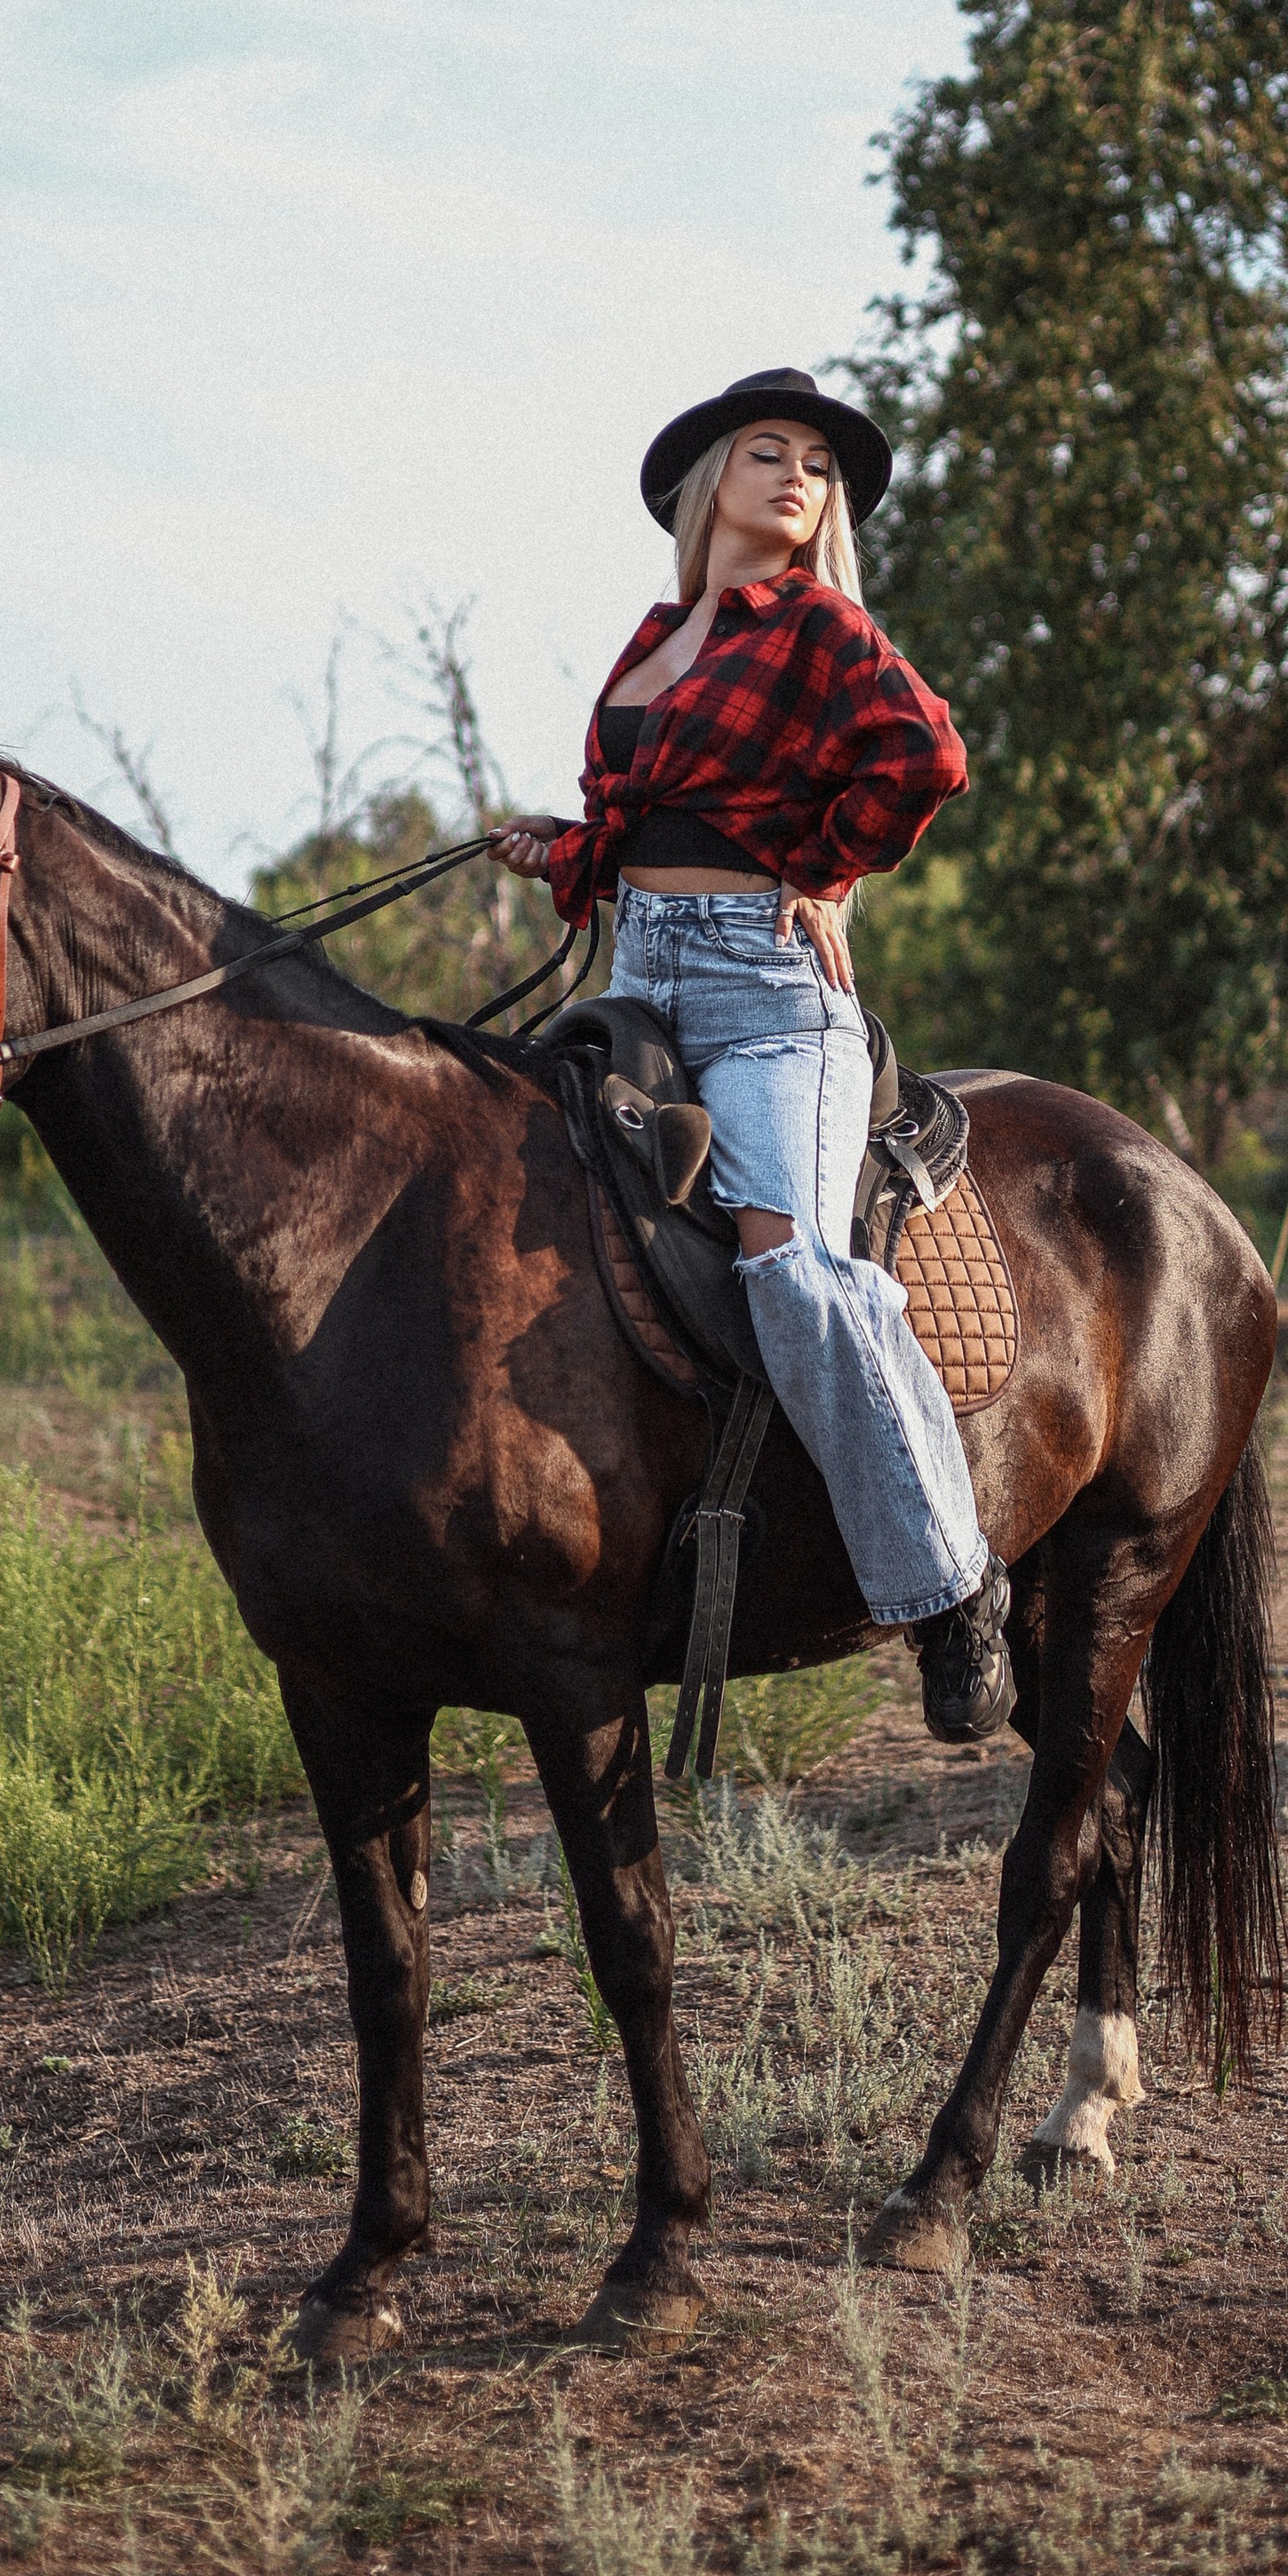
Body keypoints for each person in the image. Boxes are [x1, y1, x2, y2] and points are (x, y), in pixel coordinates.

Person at [488, 365, 1014, 1741]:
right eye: (768, 453)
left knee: (790, 1260)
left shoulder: (824, 627)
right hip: (639, 977)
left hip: (766, 993)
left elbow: (927, 755)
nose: (799, 478)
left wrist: (828, 870)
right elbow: (638, 822)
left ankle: (949, 1583)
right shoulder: (654, 640)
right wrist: (559, 852)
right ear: (710, 479)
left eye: (819, 467)